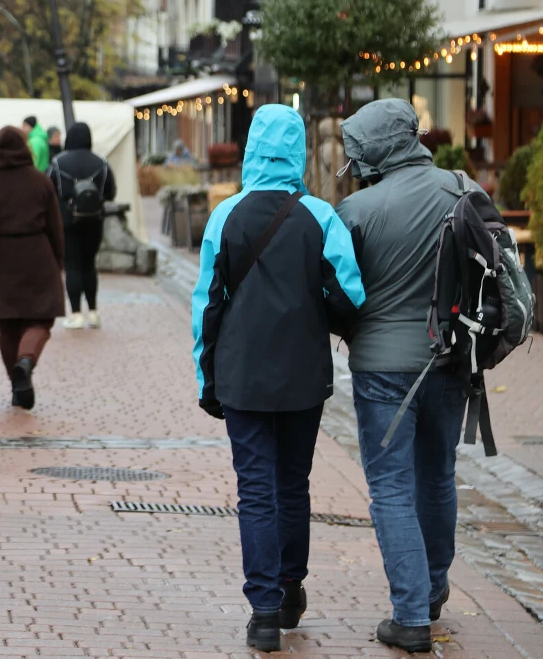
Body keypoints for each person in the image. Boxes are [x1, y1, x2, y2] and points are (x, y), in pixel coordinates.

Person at [190, 104, 365, 653]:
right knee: (293, 484)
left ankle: (263, 612)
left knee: (256, 490)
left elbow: (207, 307)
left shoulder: (225, 217)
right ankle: (291, 589)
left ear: (249, 150)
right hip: (301, 377)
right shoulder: (320, 216)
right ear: (299, 154)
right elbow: (352, 296)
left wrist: (207, 376)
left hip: (241, 375)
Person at [334, 100, 480, 653]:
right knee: (438, 474)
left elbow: (339, 291)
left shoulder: (358, 209)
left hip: (381, 368)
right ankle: (434, 590)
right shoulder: (462, 188)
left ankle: (411, 614)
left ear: (374, 151)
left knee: (391, 486)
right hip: (449, 358)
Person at [0, 126, 65, 409]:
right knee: (41, 319)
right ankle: (26, 361)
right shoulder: (40, 181)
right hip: (37, 254)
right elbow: (55, 226)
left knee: (8, 325)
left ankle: (16, 384)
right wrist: (58, 260)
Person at [49, 122, 116, 329]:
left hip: (67, 221)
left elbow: (49, 190)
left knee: (72, 265)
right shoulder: (101, 163)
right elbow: (110, 192)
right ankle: (94, 313)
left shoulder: (58, 163)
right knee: (89, 265)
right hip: (94, 221)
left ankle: (76, 314)